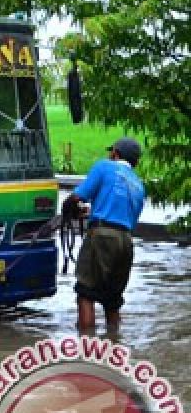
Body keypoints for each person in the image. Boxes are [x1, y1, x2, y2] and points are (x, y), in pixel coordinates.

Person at [63, 137, 146, 333]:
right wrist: (91, 212)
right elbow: (122, 217)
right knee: (112, 300)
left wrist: (68, 208)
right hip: (125, 241)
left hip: (101, 237)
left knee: (85, 293)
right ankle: (113, 344)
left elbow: (77, 197)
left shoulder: (104, 167)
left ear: (116, 154)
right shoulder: (138, 185)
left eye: (111, 152)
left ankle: (86, 348)